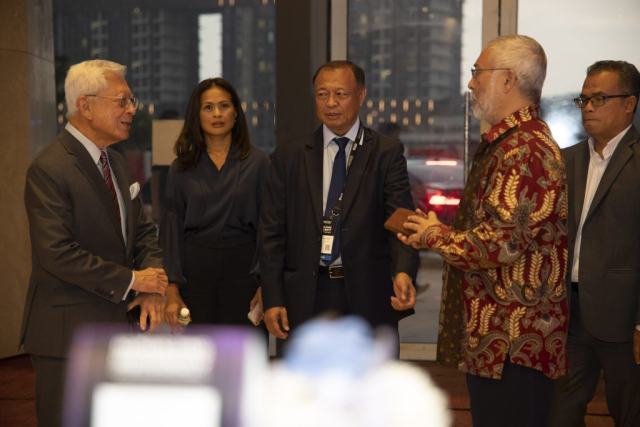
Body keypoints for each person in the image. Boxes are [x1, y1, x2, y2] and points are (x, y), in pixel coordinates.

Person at [398, 35, 569, 426]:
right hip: (501, 341)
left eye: (478, 72)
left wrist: (431, 235)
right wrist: (434, 231)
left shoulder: (525, 149)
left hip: (515, 343)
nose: (471, 82)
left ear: (507, 80)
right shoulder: (511, 142)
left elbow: (499, 244)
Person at [20, 59, 168, 427]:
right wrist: (133, 280)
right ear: (85, 106)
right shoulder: (49, 168)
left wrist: (152, 285)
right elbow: (57, 253)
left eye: (131, 101)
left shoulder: (115, 162)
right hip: (67, 337)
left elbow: (143, 232)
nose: (131, 109)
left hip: (117, 328)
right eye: (122, 100)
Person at [258, 60, 419, 350]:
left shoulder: (386, 153)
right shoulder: (288, 156)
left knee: (369, 375)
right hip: (305, 295)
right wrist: (273, 298)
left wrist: (404, 271)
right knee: (304, 376)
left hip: (367, 293)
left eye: (340, 94)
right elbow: (271, 234)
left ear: (361, 95)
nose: (331, 103)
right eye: (322, 94)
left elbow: (400, 220)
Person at [549, 61, 640, 427]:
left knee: (629, 413)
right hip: (569, 314)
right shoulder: (565, 159)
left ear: (630, 103)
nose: (587, 107)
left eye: (599, 98)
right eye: (583, 99)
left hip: (625, 318)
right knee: (560, 413)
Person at [159, 78, 270, 333]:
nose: (217, 114)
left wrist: (266, 283)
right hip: (194, 277)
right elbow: (171, 232)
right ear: (196, 115)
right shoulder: (181, 168)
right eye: (208, 107)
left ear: (236, 113)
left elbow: (269, 229)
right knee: (199, 350)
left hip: (246, 275)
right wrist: (172, 288)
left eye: (224, 106)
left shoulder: (259, 163)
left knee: (244, 350)